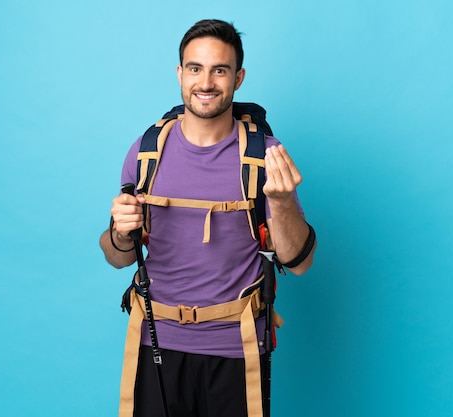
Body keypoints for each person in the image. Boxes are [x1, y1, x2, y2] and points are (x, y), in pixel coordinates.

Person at [100, 19, 316, 417]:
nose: (206, 82)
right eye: (195, 68)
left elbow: (299, 263)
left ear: (239, 78)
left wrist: (282, 201)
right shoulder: (146, 151)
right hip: (155, 340)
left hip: (238, 346)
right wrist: (119, 232)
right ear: (180, 74)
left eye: (220, 69)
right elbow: (118, 257)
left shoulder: (265, 155)